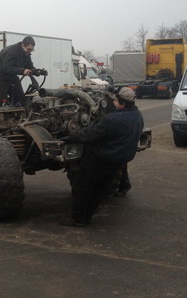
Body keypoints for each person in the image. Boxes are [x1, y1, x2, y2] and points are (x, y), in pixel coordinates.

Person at [61, 87, 144, 227]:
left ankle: (78, 218)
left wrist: (69, 138)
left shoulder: (112, 119)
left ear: (122, 104)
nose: (114, 102)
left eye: (116, 100)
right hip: (118, 159)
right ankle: (87, 217)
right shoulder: (137, 115)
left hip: (102, 158)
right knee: (100, 189)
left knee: (82, 186)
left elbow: (89, 135)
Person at [0, 36, 40, 106]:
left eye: (32, 50)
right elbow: (7, 68)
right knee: (1, 101)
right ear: (23, 45)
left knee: (20, 98)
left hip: (11, 76)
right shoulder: (11, 51)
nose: (30, 51)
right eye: (28, 49)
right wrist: (22, 71)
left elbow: (30, 66)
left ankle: (20, 110)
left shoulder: (26, 54)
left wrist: (37, 72)